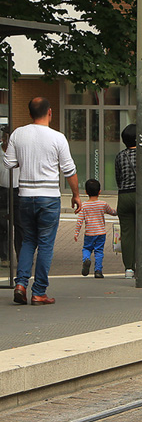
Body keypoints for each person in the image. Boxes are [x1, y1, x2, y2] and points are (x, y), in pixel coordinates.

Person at [3, 97, 81, 305]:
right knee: (45, 244)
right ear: (50, 112)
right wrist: (76, 195)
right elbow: (69, 171)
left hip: (25, 196)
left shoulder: (18, 134)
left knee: (28, 240)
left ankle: (21, 285)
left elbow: (8, 163)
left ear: (29, 114)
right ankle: (39, 292)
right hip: (49, 197)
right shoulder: (57, 138)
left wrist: (26, 159)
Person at [74, 178, 117, 278]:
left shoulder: (84, 205)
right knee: (99, 251)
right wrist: (118, 211)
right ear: (99, 192)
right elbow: (112, 212)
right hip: (101, 232)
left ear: (85, 192)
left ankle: (86, 260)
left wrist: (76, 233)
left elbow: (80, 220)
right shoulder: (103, 204)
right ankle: (98, 270)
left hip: (89, 233)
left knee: (86, 248)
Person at [115, 123, 137, 279]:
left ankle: (129, 268)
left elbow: (118, 178)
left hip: (123, 196)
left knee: (127, 233)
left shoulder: (120, 156)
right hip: (140, 196)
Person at [0, 125, 21, 264]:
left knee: (20, 226)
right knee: (3, 226)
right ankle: (4, 256)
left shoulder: (20, 151)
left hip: (18, 190)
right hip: (1, 190)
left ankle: (22, 257)